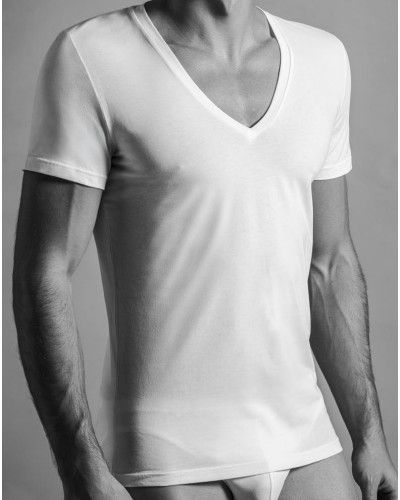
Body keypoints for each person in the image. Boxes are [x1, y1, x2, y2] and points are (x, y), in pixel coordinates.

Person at [12, 0, 397, 499]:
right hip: (167, 456)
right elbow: (44, 269)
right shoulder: (93, 56)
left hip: (303, 440)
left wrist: (369, 433)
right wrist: (77, 464)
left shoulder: (323, 59)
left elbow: (330, 262)